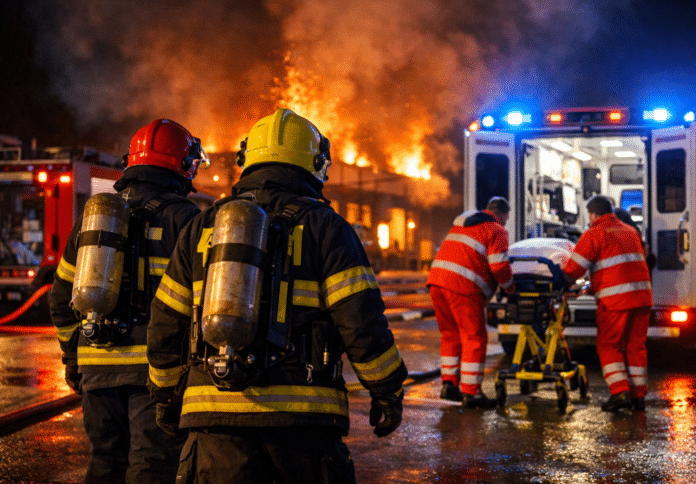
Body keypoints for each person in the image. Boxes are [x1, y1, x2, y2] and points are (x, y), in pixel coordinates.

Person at [146, 108, 407, 483]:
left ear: (246, 160)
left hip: (215, 421)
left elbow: (166, 323)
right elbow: (361, 322)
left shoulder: (201, 227)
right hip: (303, 427)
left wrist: (167, 397)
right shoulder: (327, 229)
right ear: (316, 164)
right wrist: (388, 391)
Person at [49, 119, 207, 482]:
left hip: (97, 371)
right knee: (152, 466)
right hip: (156, 375)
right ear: (183, 166)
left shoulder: (94, 218)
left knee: (106, 461)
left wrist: (74, 357)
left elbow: (61, 297)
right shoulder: (186, 220)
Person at [562, 195, 652, 412]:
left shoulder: (595, 233)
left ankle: (620, 392)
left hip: (616, 300)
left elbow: (575, 269)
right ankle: (638, 397)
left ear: (593, 214)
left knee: (608, 345)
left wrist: (562, 282)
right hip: (642, 297)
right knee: (635, 347)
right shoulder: (630, 231)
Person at [427, 196, 515, 409]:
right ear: (504, 216)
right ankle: (471, 392)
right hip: (463, 287)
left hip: (437, 281)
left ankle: (449, 385)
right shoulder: (497, 230)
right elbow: (499, 266)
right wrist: (510, 288)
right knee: (473, 338)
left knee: (450, 335)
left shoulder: (464, 223)